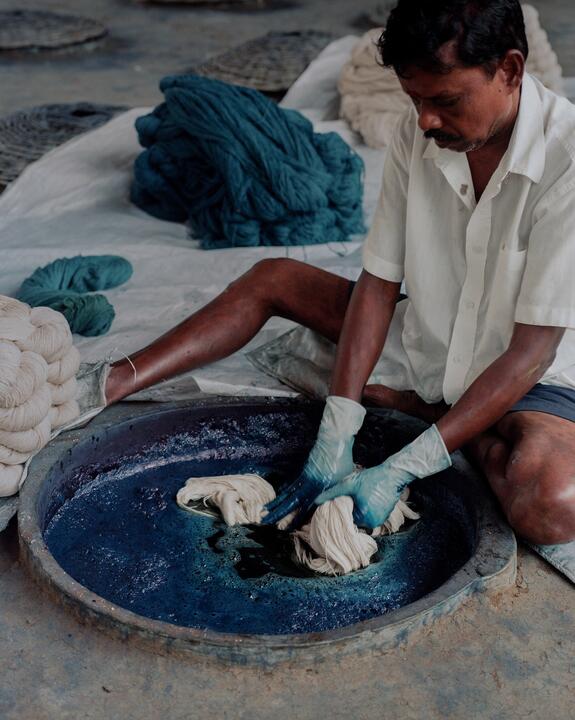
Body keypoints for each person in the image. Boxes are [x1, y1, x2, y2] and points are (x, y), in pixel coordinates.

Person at [104, 0, 575, 545]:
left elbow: (532, 351)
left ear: (511, 70)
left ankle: (432, 419)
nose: (425, 119)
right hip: (429, 339)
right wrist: (339, 425)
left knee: (555, 505)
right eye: (414, 98)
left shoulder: (566, 162)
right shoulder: (418, 130)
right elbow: (378, 284)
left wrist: (405, 464)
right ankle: (112, 380)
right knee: (272, 277)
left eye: (445, 100)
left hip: (531, 377)